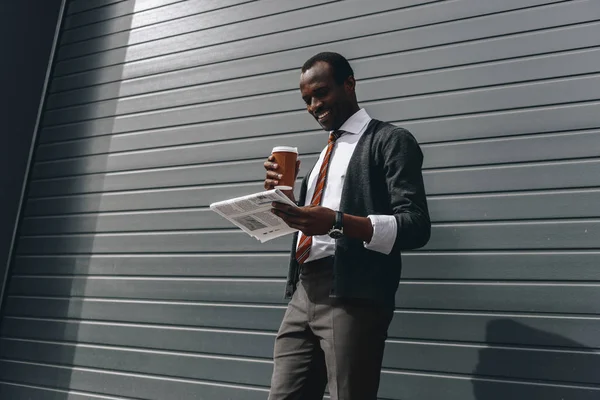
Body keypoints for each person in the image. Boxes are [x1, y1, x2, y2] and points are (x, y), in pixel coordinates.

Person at [264, 52, 431, 400]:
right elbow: (314, 223)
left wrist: (337, 222)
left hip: (353, 295)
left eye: (321, 93)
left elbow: (415, 225)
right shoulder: (324, 154)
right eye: (307, 100)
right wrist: (284, 201)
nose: (314, 106)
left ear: (350, 84)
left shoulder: (390, 140)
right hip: (303, 290)